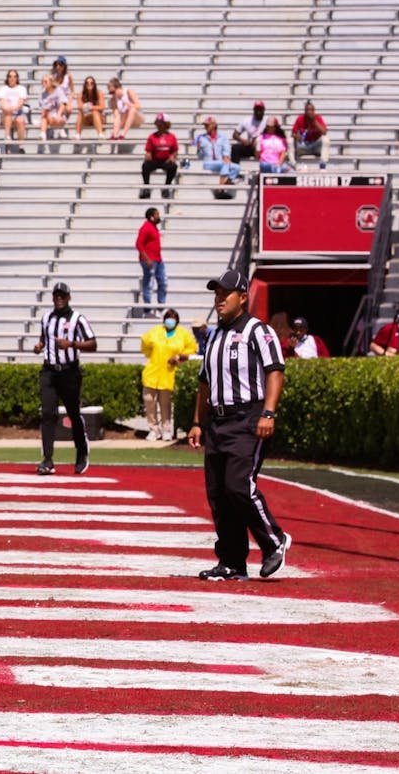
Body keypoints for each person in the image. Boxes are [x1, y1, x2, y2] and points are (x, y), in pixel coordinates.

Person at [187, 268, 290, 583]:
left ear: (243, 297)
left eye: (225, 295)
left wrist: (268, 413)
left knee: (238, 486)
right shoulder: (214, 336)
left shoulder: (258, 331)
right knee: (218, 494)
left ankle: (274, 540)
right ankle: (231, 561)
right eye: (216, 295)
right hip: (218, 421)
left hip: (247, 417)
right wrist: (196, 422)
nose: (219, 301)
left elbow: (275, 371)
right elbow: (204, 382)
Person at [33, 282, 96, 476]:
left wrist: (72, 344)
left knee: (73, 414)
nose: (59, 299)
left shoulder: (77, 318)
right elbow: (44, 339)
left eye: (62, 295)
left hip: (69, 371)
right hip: (49, 371)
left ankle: (81, 450)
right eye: (56, 295)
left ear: (69, 297)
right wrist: (39, 346)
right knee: (48, 413)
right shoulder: (46, 318)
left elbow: (93, 344)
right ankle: (48, 459)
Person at [140, 309, 196, 441]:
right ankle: (153, 429)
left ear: (177, 321)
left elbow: (191, 349)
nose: (170, 321)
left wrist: (177, 358)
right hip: (152, 372)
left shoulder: (183, 334)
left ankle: (166, 429)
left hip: (170, 373)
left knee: (165, 404)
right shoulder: (155, 332)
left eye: (173, 318)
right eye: (168, 318)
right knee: (149, 401)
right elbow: (145, 345)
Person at [194, 115, 241, 196]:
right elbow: (200, 156)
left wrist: (226, 156)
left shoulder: (222, 137)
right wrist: (199, 150)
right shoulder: (201, 138)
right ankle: (220, 189)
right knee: (225, 163)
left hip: (220, 162)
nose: (205, 127)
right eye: (205, 125)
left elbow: (227, 148)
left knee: (237, 167)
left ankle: (228, 182)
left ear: (214, 125)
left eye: (207, 125)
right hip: (208, 163)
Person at [140, 113, 179, 199]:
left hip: (166, 160)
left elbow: (175, 150)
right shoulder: (152, 136)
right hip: (155, 159)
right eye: (158, 123)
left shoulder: (171, 137)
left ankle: (166, 187)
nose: (159, 126)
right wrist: (148, 155)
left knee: (173, 167)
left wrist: (172, 156)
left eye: (161, 123)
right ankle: (147, 187)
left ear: (166, 124)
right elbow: (148, 150)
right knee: (145, 166)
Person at [136, 207, 165, 308]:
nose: (158, 216)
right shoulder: (146, 227)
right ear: (151, 217)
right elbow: (139, 244)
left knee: (163, 282)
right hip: (150, 260)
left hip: (158, 259)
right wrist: (147, 259)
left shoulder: (153, 227)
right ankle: (147, 309)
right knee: (148, 284)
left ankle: (161, 308)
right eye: (157, 214)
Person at [290, 100, 329, 169]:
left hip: (315, 146)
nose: (309, 112)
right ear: (304, 111)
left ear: (314, 111)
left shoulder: (318, 118)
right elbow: (292, 134)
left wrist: (314, 121)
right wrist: (297, 136)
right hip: (303, 145)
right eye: (307, 110)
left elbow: (324, 132)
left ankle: (323, 163)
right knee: (289, 140)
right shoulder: (300, 119)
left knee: (326, 139)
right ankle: (293, 163)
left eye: (311, 110)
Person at [36, 74, 70, 142]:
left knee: (51, 119)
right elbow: (44, 109)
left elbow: (63, 103)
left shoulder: (58, 90)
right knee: (44, 118)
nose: (43, 83)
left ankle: (59, 128)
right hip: (48, 116)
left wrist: (58, 115)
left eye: (45, 81)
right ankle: (43, 134)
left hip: (58, 115)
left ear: (51, 82)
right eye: (42, 82)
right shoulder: (43, 94)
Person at [0, 70, 29, 144]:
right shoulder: (3, 89)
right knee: (8, 114)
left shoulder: (21, 89)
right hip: (6, 114)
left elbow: (21, 102)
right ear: (7, 78)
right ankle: (7, 136)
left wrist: (13, 109)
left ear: (17, 78)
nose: (12, 78)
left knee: (20, 120)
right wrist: (8, 109)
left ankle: (21, 145)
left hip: (17, 113)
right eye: (10, 76)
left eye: (14, 76)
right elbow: (2, 103)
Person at [230, 100, 265, 164]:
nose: (258, 111)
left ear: (263, 110)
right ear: (254, 110)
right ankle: (235, 171)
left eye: (260, 109)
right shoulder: (247, 120)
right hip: (250, 146)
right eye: (257, 109)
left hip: (263, 148)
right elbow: (235, 134)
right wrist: (243, 140)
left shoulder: (267, 121)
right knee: (235, 148)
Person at [74, 76, 104, 140]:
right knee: (80, 112)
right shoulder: (81, 94)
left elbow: (102, 107)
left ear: (94, 84)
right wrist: (88, 107)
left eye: (91, 83)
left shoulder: (99, 93)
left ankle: (100, 134)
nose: (89, 84)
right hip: (86, 116)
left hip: (98, 117)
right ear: (85, 84)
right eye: (87, 83)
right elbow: (80, 106)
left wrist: (91, 107)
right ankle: (78, 134)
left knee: (94, 112)